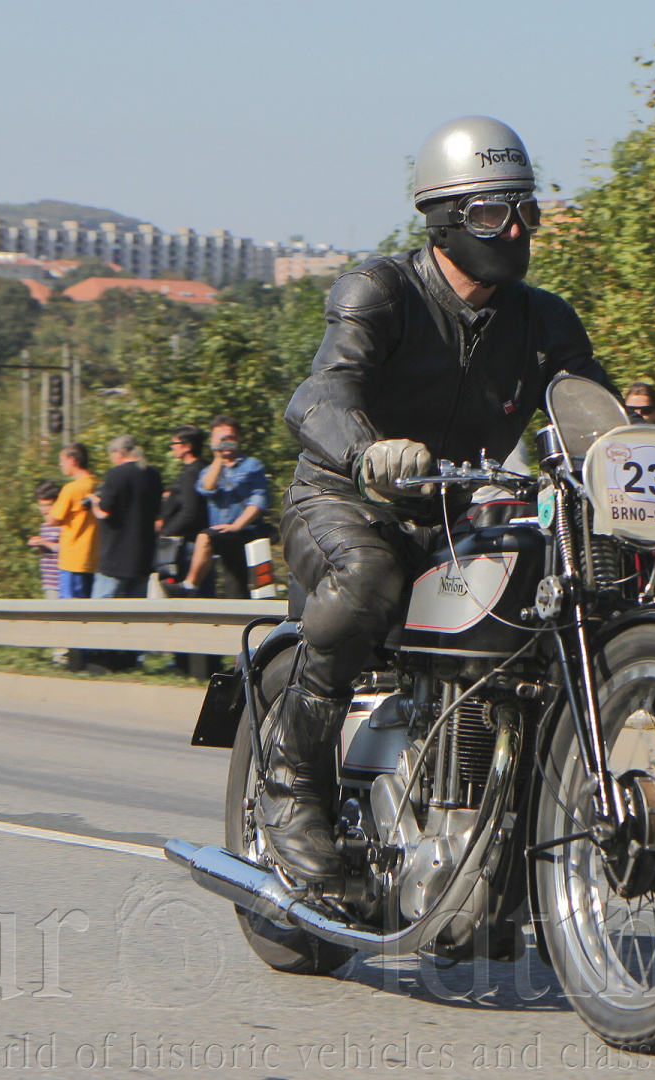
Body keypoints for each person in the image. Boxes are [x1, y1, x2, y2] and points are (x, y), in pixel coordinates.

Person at [263, 115, 618, 883]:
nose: (515, 228)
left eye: (525, 208)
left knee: (558, 591)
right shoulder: (382, 290)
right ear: (445, 219)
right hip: (344, 501)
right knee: (369, 576)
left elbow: (598, 417)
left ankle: (502, 808)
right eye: (491, 212)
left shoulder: (545, 321)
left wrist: (651, 470)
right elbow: (319, 394)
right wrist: (367, 453)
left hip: (457, 516)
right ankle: (290, 787)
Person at [177, 417, 268, 599]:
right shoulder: (209, 470)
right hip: (222, 535)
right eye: (220, 438)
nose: (225, 442)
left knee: (205, 537)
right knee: (236, 592)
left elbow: (258, 501)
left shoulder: (252, 466)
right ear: (212, 441)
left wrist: (237, 526)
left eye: (229, 437)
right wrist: (219, 458)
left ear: (238, 438)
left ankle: (189, 586)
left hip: (245, 532)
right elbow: (207, 487)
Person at [90, 435, 162, 598]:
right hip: (143, 558)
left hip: (115, 559)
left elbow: (104, 512)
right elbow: (157, 511)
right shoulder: (153, 474)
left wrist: (94, 502)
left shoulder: (117, 474)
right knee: (135, 610)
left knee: (101, 609)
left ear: (118, 453)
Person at [158, 425, 210, 592]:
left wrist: (167, 531)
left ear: (187, 446)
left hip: (190, 546)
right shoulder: (203, 468)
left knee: (191, 595)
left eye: (175, 443)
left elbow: (190, 511)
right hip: (199, 545)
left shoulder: (191, 472)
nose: (172, 447)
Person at [47, 443, 99, 599]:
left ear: (72, 460)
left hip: (73, 558)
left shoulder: (72, 489)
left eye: (62, 460)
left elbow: (53, 519)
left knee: (69, 607)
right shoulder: (98, 484)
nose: (60, 464)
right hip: (94, 558)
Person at [26, 480, 62, 599]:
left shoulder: (62, 525)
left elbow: (64, 549)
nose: (45, 510)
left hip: (60, 581)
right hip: (49, 581)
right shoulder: (45, 526)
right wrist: (40, 545)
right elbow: (48, 550)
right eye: (42, 506)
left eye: (48, 505)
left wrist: (44, 542)